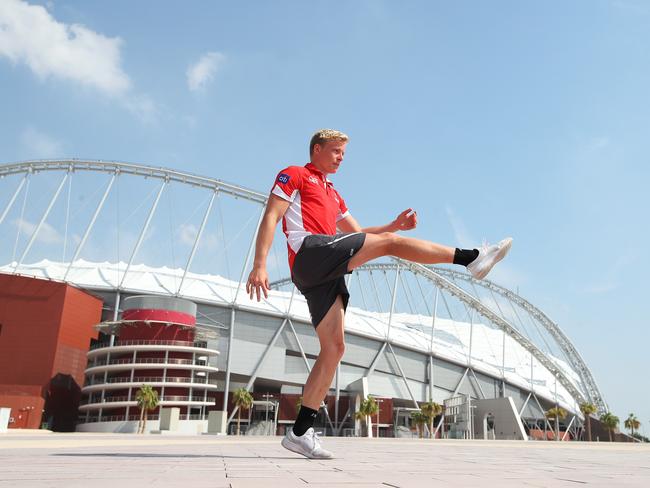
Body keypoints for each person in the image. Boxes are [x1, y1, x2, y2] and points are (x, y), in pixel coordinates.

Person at [246, 129, 512, 459]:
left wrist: (394, 226)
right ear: (316, 149)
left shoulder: (334, 194)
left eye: (344, 152)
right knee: (389, 247)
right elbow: (271, 215)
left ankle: (300, 432)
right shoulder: (295, 175)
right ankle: (471, 258)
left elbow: (357, 235)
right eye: (335, 151)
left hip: (324, 268)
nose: (341, 157)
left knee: (334, 347)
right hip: (309, 254)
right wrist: (260, 264)